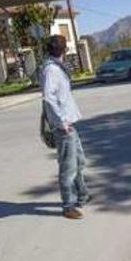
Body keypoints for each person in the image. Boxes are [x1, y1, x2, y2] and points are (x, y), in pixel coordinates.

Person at [40, 35, 91, 219]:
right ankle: (68, 206)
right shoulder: (51, 70)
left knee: (79, 161)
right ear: (64, 50)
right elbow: (49, 98)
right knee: (68, 168)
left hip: (69, 123)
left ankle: (82, 195)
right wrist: (62, 122)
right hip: (64, 126)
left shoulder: (57, 68)